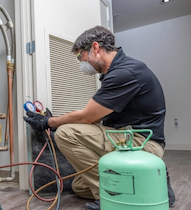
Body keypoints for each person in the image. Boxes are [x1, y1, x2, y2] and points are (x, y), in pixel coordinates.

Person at [23, 26, 175, 210]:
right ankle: (145, 181)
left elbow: (87, 117)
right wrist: (54, 120)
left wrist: (48, 122)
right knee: (79, 186)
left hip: (142, 144)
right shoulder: (114, 73)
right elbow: (94, 118)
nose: (80, 63)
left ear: (95, 47)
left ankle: (109, 197)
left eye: (80, 56)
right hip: (125, 139)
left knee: (65, 134)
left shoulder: (125, 72)